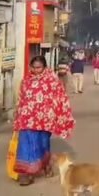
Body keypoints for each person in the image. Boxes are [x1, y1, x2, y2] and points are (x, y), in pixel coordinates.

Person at [12, 56, 75, 186]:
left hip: (44, 120)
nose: (36, 70)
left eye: (39, 67)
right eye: (33, 68)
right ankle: (26, 173)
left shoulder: (52, 80)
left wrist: (61, 116)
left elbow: (60, 98)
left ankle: (46, 166)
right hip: (27, 118)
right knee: (25, 143)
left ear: (44, 67)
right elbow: (21, 98)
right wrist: (18, 114)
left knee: (42, 144)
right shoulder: (26, 80)